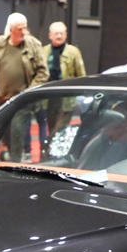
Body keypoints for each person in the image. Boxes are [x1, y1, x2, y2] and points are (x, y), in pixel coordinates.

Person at [0, 13, 48, 162]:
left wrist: (27, 93)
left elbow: (43, 72)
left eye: (25, 27)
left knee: (17, 134)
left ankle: (14, 164)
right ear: (11, 29)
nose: (24, 31)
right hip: (1, 100)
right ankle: (11, 159)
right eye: (20, 29)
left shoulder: (33, 45)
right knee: (6, 136)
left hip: (21, 102)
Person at [40, 21, 86, 153]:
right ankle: (50, 150)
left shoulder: (73, 52)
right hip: (48, 97)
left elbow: (81, 75)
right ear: (50, 35)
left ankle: (52, 150)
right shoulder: (43, 51)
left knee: (60, 127)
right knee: (51, 125)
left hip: (66, 98)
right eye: (56, 33)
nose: (59, 36)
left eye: (61, 33)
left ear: (66, 35)